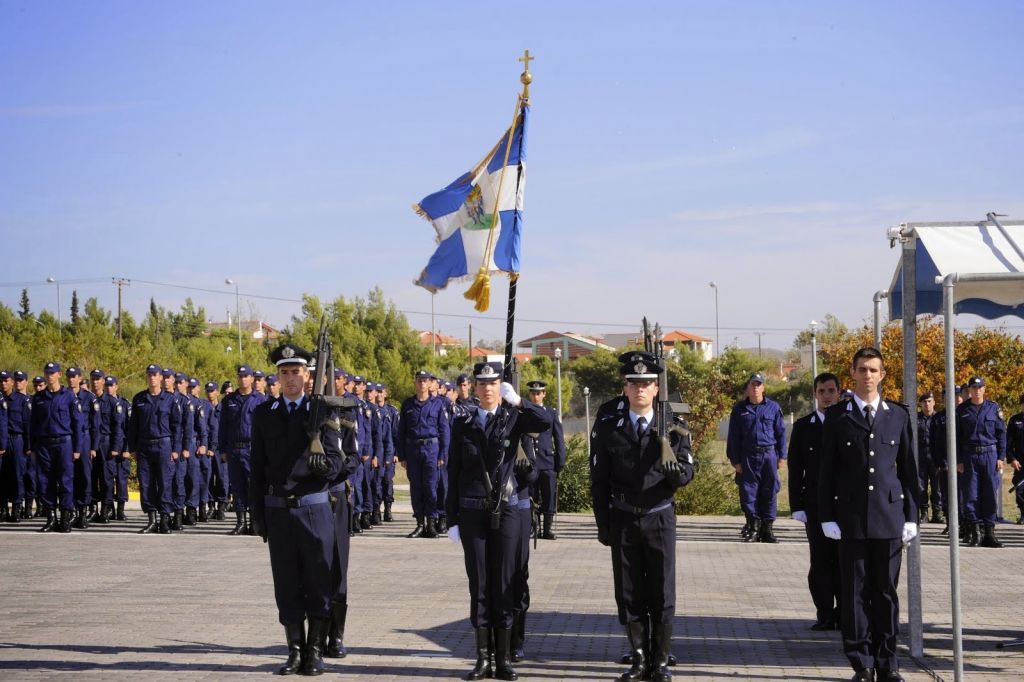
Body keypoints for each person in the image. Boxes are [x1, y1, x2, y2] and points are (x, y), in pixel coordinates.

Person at [249, 343, 352, 676]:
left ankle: (315, 651)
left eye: (296, 372)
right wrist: (257, 514)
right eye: (284, 372)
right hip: (279, 511)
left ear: (307, 376)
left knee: (318, 580)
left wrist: (325, 467)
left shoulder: (322, 411)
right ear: (277, 377)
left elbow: (338, 461)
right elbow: (257, 467)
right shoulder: (265, 414)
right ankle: (294, 650)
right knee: (286, 583)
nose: (290, 378)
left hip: (314, 509)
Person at [446, 361, 553, 681]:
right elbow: (453, 471)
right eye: (482, 384)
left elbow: (545, 421)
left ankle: (504, 659)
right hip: (472, 512)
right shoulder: (463, 424)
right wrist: (452, 518)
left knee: (504, 584)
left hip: (505, 511)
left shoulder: (513, 418)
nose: (488, 389)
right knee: (479, 585)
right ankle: (483, 659)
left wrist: (519, 401)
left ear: (500, 386)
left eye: (493, 383)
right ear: (475, 388)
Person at [590, 351, 693, 682]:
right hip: (623, 518)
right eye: (633, 383)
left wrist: (675, 473)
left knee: (662, 592)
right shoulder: (610, 427)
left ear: (656, 389)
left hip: (659, 517)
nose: (639, 389)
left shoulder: (674, 428)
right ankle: (638, 659)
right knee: (629, 591)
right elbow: (599, 481)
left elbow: (688, 471)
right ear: (625, 388)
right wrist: (603, 524)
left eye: (646, 383)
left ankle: (660, 662)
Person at [818, 347, 918, 682]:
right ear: (853, 373)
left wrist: (911, 517)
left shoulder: (898, 416)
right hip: (852, 519)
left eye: (873, 370)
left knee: (886, 593)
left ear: (883, 374)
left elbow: (909, 471)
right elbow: (826, 472)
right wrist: (826, 516)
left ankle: (888, 663)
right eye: (862, 369)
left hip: (889, 517)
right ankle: (862, 663)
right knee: (854, 594)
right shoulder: (838, 416)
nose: (868, 375)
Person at [787, 372, 842, 631]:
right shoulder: (803, 427)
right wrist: (797, 505)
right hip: (816, 505)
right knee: (820, 561)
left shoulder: (848, 422)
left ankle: (845, 613)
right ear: (815, 394)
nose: (827, 396)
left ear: (839, 393)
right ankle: (825, 613)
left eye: (831, 391)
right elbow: (796, 469)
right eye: (822, 391)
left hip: (844, 504)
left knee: (843, 561)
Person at [727, 372, 786, 542]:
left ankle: (767, 529)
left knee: (770, 491)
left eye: (758, 384)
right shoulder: (739, 409)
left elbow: (781, 433)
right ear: (747, 388)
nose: (755, 388)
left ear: (763, 388)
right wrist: (735, 461)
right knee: (748, 492)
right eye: (752, 384)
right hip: (748, 456)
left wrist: (782, 456)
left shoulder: (773, 407)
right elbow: (733, 437)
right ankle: (753, 527)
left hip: (769, 455)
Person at [126, 364, 183, 534]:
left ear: (160, 378)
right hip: (144, 446)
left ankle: (164, 519)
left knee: (165, 482)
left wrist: (176, 449)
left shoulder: (170, 399)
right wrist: (132, 448)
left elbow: (177, 426)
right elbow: (133, 426)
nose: (152, 377)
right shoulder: (139, 399)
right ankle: (152, 520)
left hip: (164, 444)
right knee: (146, 483)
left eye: (155, 375)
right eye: (149, 374)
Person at [29, 362, 85, 533]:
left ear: (59, 374)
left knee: (66, 480)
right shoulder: (38, 398)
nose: (49, 376)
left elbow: (78, 424)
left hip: (63, 443)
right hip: (44, 445)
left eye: (52, 373)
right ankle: (51, 518)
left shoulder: (68, 396)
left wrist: (77, 448)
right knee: (45, 481)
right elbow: (32, 425)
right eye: (47, 373)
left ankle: (65, 518)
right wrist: (32, 447)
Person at [397, 370, 450, 539]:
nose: (422, 383)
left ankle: (431, 524)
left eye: (425, 380)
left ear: (429, 383)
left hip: (432, 449)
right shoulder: (408, 404)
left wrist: (443, 454)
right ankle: (420, 524)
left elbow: (444, 430)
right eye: (419, 380)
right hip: (413, 450)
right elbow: (401, 431)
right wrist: (402, 455)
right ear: (415, 382)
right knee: (416, 488)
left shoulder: (438, 404)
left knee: (431, 487)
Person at [955, 376, 1006, 548]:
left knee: (989, 493)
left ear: (984, 389)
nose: (977, 391)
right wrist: (959, 460)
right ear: (969, 390)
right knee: (971, 494)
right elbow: (956, 437)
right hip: (970, 456)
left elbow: (1001, 434)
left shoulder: (993, 408)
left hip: (990, 455)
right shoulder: (962, 410)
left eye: (980, 388)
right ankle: (976, 532)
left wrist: (1001, 457)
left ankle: (989, 534)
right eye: (974, 388)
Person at [219, 364, 267, 535]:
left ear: (252, 379)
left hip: (252, 449)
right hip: (233, 449)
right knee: (237, 486)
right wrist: (222, 449)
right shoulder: (229, 400)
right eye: (240, 376)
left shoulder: (260, 400)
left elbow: (265, 428)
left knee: (253, 485)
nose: (243, 379)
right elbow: (223, 427)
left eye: (246, 376)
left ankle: (254, 521)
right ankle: (240, 522)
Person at [523, 381, 565, 540]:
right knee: (531, 495)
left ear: (544, 394)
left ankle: (546, 529)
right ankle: (533, 527)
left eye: (538, 393)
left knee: (549, 496)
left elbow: (559, 438)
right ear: (529, 394)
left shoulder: (551, 413)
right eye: (533, 393)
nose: (535, 396)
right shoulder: (524, 412)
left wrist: (560, 460)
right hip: (530, 462)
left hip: (547, 461)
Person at [1, 371, 32, 522]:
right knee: (2, 475)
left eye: (6, 380)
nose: (3, 383)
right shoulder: (1, 399)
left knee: (17, 475)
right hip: (2, 441)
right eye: (1, 381)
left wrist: (29, 445)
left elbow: (27, 424)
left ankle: (16, 508)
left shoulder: (22, 400)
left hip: (17, 440)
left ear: (12, 382)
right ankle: (3, 508)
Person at [916, 392, 942, 524]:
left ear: (934, 403)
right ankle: (924, 513)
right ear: (920, 404)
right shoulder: (916, 418)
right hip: (920, 454)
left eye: (929, 401)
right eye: (924, 402)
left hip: (935, 454)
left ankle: (937, 513)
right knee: (921, 485)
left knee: (937, 486)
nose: (927, 404)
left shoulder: (939, 418)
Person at [1006, 394, 1024, 524]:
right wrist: (1012, 459)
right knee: (1020, 491)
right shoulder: (1014, 420)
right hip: (1020, 462)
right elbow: (1008, 443)